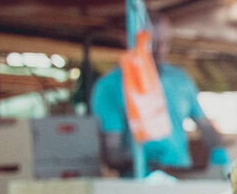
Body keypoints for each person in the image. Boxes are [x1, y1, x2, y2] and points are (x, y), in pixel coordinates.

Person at [91, 16, 227, 177]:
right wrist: (140, 154)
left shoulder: (180, 80)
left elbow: (204, 125)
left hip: (180, 177)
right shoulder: (110, 86)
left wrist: (219, 150)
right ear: (127, 39)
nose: (159, 51)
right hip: (138, 181)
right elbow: (112, 153)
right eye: (152, 44)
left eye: (164, 43)